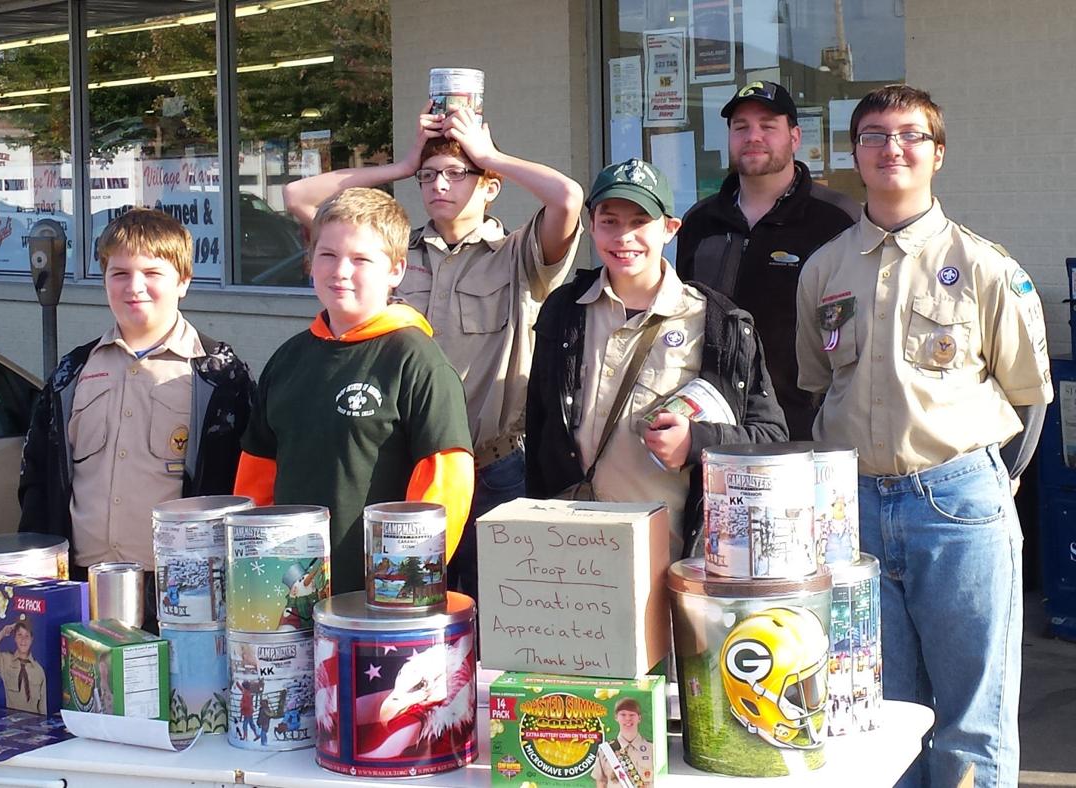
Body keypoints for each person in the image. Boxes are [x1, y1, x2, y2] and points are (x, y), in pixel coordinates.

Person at [796, 85, 1052, 788]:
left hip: (958, 506)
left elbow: (1030, 398)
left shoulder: (984, 266)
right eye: (874, 135)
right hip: (856, 514)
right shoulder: (824, 270)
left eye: (910, 135)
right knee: (880, 713)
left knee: (974, 718)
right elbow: (818, 386)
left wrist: (996, 483)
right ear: (855, 155)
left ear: (938, 154)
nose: (892, 148)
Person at [283, 103, 583, 601]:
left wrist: (490, 154)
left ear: (489, 186)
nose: (438, 186)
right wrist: (400, 166)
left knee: (497, 611)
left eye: (455, 174)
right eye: (428, 177)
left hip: (494, 470)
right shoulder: (390, 255)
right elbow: (298, 194)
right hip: (412, 472)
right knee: (408, 607)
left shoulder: (515, 255)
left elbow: (568, 198)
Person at [526, 159, 787, 558]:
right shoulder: (564, 310)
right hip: (571, 557)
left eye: (640, 222)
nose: (623, 237)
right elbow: (541, 424)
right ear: (591, 225)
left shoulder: (720, 323)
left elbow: (770, 439)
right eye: (609, 221)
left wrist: (696, 442)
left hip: (670, 557)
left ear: (670, 228)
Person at [17, 208, 254, 634]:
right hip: (82, 583)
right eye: (120, 273)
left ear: (183, 281)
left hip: (183, 591)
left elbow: (244, 485)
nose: (135, 287)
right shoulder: (72, 372)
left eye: (152, 272)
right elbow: (37, 480)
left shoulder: (219, 376)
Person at [233, 187, 474, 594]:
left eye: (361, 259)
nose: (340, 271)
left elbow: (446, 486)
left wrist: (401, 583)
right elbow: (256, 479)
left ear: (396, 269)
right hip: (288, 595)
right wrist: (256, 572)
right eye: (327, 255)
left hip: (379, 601)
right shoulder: (288, 360)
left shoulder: (416, 360)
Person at [676, 81, 859, 440]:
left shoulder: (838, 219)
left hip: (808, 428)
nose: (752, 136)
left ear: (794, 137)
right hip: (717, 426)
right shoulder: (700, 222)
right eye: (741, 127)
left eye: (767, 126)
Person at [0, 618, 45, 714]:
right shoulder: (6, 661)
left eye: (27, 636)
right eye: (19, 635)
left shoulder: (39, 671)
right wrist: (2, 633)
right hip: (12, 721)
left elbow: (43, 707)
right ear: (15, 638)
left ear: (31, 639)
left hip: (33, 724)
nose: (23, 640)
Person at [592, 698, 654, 788]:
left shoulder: (652, 748)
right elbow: (601, 782)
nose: (628, 718)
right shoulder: (606, 750)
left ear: (639, 718)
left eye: (632, 715)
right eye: (623, 714)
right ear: (616, 717)